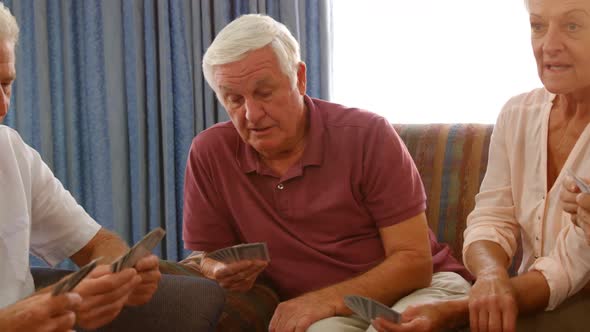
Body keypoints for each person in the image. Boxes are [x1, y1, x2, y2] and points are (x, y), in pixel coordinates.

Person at [181, 13, 472, 332]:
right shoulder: (211, 153)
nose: (251, 114)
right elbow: (207, 255)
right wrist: (217, 267)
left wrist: (324, 300)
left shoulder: (367, 134)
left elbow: (415, 263)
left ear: (299, 78)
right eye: (234, 99)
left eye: (264, 93)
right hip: (332, 311)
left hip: (423, 289)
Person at [372, 0, 590, 331]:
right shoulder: (518, 113)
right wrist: (490, 276)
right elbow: (491, 218)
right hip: (530, 295)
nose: (549, 45)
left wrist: (453, 312)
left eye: (572, 26)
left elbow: (571, 267)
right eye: (538, 26)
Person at [0, 4, 161, 331]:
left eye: (6, 83)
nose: (2, 106)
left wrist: (117, 273)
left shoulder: (11, 151)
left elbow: (95, 243)